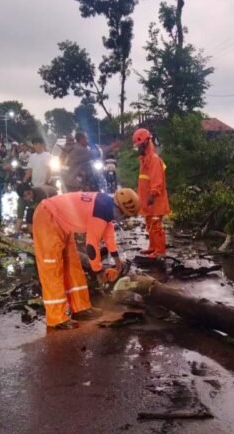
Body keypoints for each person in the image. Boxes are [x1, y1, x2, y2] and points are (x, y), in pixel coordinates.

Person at [32, 189, 140, 330]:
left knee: (73, 265)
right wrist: (99, 271)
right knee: (52, 268)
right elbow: (91, 245)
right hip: (48, 216)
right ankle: (56, 318)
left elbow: (109, 237)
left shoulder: (106, 207)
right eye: (123, 215)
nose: (122, 219)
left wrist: (117, 261)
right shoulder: (101, 211)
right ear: (117, 207)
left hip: (63, 223)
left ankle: (81, 308)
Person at [133, 128, 170, 258]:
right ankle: (152, 247)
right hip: (148, 201)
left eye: (140, 145)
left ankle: (159, 251)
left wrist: (152, 196)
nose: (138, 148)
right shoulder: (144, 160)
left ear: (147, 142)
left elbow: (157, 181)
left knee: (156, 226)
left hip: (155, 201)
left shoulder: (154, 160)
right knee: (150, 225)